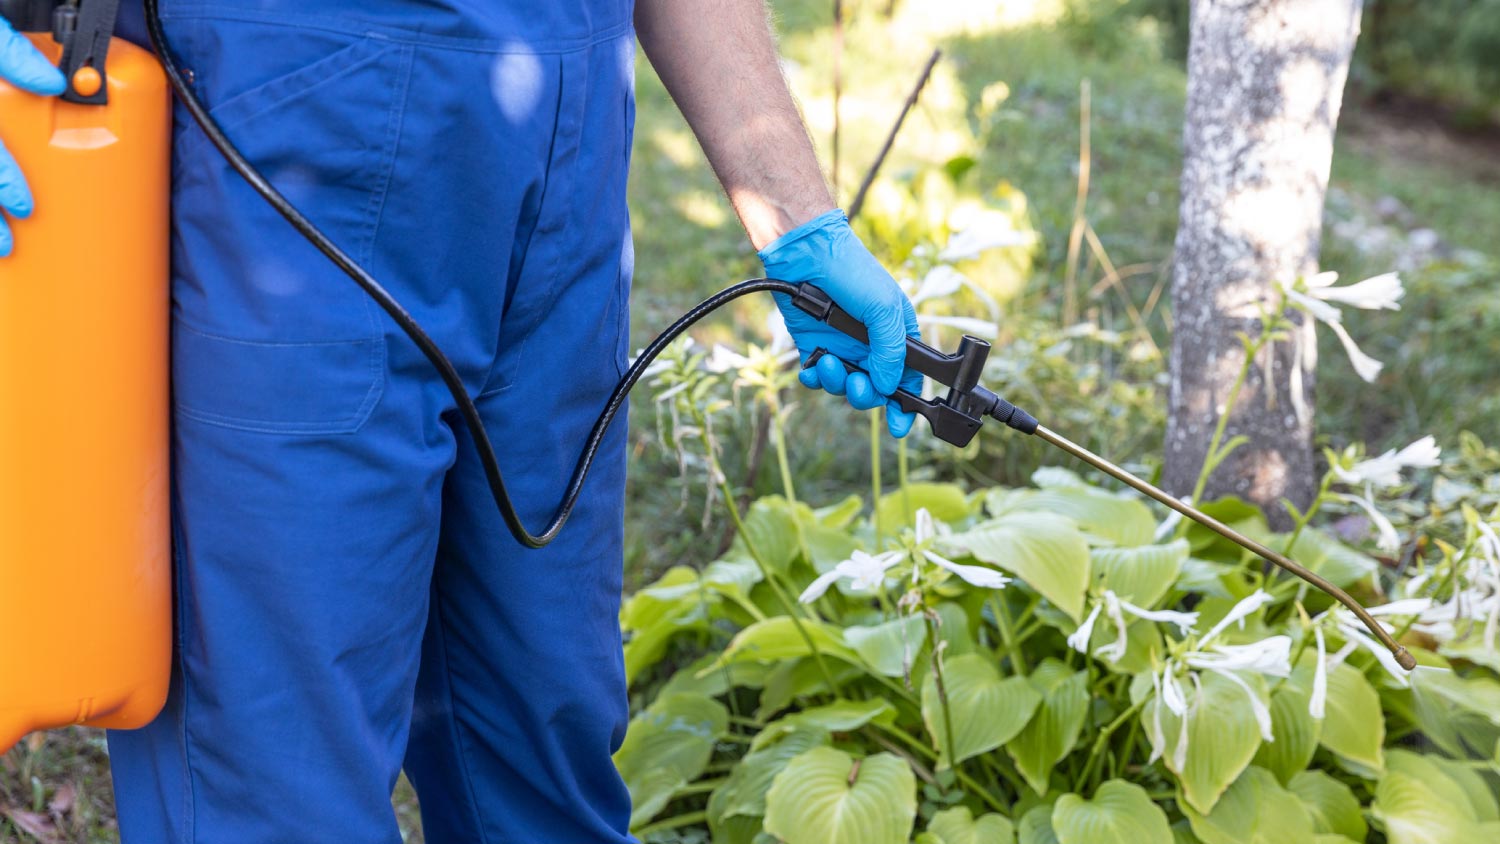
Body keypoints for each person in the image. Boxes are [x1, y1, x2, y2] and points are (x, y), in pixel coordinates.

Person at [1, 1, 920, 841]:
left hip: (567, 121)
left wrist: (796, 214)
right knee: (274, 769)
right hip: (279, 107)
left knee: (542, 739)